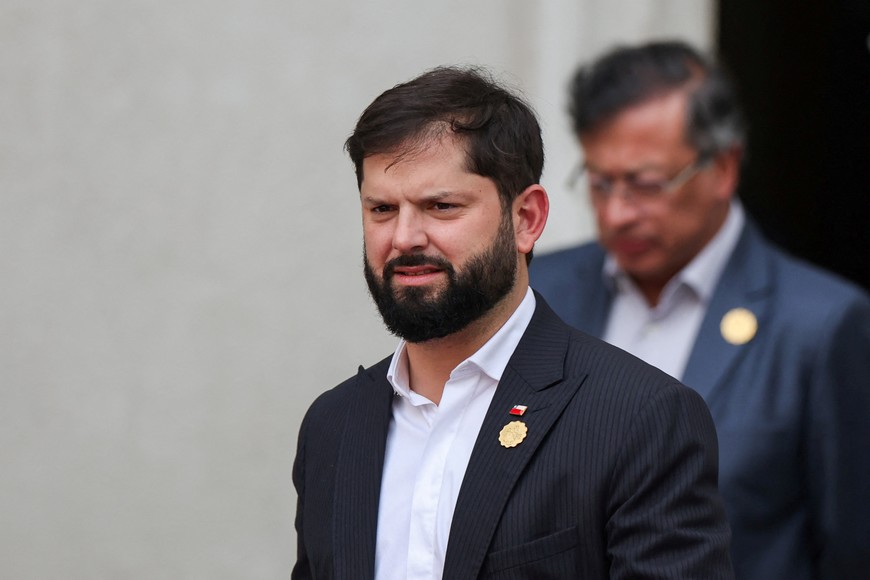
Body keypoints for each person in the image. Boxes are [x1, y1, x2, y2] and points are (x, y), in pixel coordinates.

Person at [291, 65, 734, 579]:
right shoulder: (334, 427)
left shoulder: (640, 420)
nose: (405, 237)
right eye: (382, 209)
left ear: (526, 219)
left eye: (441, 206)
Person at [530, 40, 870, 580]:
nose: (617, 213)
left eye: (645, 185)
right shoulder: (538, 289)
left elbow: (850, 549)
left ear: (724, 167)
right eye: (599, 183)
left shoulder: (820, 325)